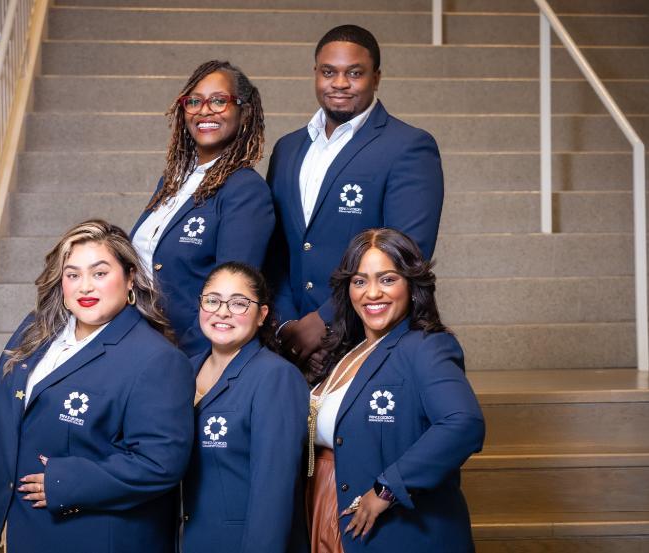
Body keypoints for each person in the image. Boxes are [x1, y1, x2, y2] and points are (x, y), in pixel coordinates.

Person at [0, 220, 194, 553]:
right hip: (15, 532)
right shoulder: (34, 331)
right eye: (73, 275)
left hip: (90, 537)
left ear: (130, 279)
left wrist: (65, 481)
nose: (85, 287)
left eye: (99, 273)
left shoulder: (157, 359)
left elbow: (161, 463)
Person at [266, 25, 444, 375]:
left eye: (355, 73)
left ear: (376, 78)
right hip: (291, 345)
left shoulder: (408, 147)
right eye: (329, 72)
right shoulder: (287, 149)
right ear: (315, 73)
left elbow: (407, 254)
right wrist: (289, 326)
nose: (340, 83)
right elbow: (276, 250)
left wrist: (324, 322)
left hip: (369, 337)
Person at [305, 228, 484, 553]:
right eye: (360, 281)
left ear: (412, 286)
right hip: (325, 508)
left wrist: (387, 489)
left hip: (395, 531)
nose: (372, 293)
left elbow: (464, 423)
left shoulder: (426, 347)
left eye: (387, 279)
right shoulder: (346, 352)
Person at [131, 60, 274, 356]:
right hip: (141, 344)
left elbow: (231, 298)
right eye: (194, 101)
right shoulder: (172, 182)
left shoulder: (245, 191)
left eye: (219, 101)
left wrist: (191, 362)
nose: (204, 110)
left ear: (244, 112)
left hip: (187, 353)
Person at [183, 262, 309, 553]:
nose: (222, 311)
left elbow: (273, 491)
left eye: (239, 303)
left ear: (262, 314)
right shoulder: (183, 372)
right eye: (212, 300)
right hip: (187, 539)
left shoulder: (275, 377)